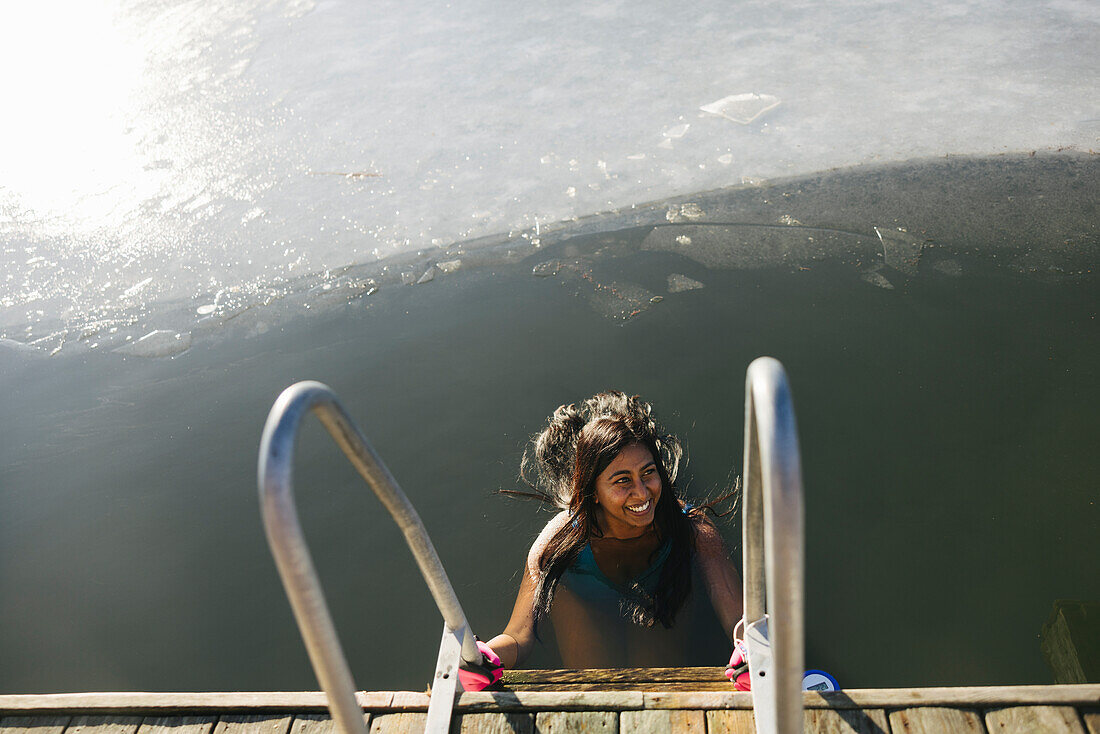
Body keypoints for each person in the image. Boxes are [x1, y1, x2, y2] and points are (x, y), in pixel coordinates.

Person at [458, 391, 749, 692]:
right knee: (594, 689)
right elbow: (519, 635)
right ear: (593, 491)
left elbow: (739, 617)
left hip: (661, 591)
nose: (642, 493)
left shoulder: (693, 529)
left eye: (648, 473)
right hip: (585, 598)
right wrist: (484, 657)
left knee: (656, 690)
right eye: (622, 480)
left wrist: (748, 649)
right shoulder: (556, 545)